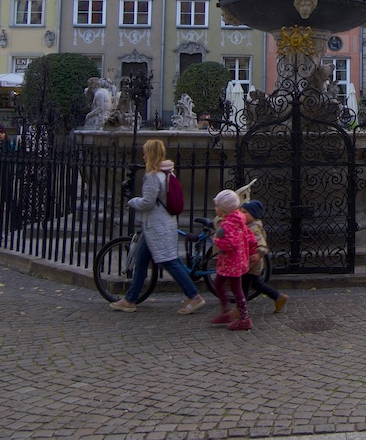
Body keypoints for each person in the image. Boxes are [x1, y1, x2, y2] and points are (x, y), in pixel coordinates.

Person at [108, 138, 207, 315]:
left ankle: (194, 296)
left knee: (170, 262)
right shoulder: (168, 173)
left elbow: (147, 203)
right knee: (142, 261)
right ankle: (130, 300)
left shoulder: (153, 176)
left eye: (145, 152)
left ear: (151, 154)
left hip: (156, 227)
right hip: (161, 225)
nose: (143, 156)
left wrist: (132, 201)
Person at [208, 188, 258, 331]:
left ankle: (244, 318)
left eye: (217, 206)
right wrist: (252, 250)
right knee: (219, 283)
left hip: (232, 263)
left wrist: (217, 241)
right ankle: (227, 313)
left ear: (223, 210)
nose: (215, 208)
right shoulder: (239, 219)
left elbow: (230, 244)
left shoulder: (229, 224)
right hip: (235, 261)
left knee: (236, 289)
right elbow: (250, 237)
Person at [237, 199, 289, 313]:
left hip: (252, 262)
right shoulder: (247, 226)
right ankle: (278, 297)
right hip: (250, 262)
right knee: (256, 284)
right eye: (240, 211)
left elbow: (262, 244)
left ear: (253, 214)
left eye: (245, 212)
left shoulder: (254, 228)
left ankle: (240, 309)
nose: (242, 214)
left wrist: (258, 253)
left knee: (243, 285)